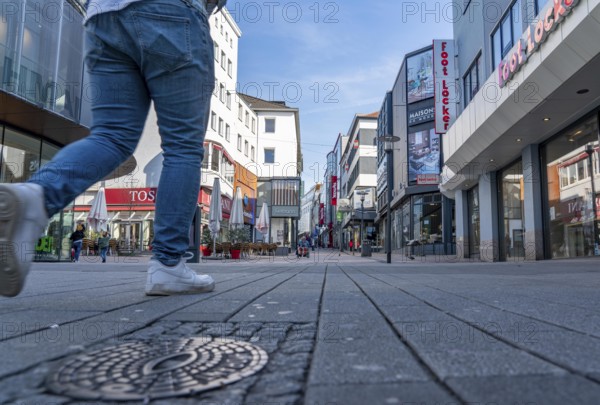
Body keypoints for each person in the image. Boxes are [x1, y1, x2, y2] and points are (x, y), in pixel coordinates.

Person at [0, 0, 226, 298]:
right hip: (173, 13)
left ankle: (36, 196)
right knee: (182, 146)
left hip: (104, 17)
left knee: (111, 136)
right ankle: (168, 265)